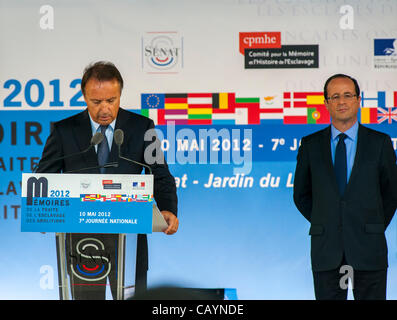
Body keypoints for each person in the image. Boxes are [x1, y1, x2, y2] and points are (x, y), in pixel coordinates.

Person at [36, 61, 178, 299]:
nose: (104, 109)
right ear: (84, 96)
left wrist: (167, 208)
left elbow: (160, 173)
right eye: (96, 101)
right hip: (82, 240)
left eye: (111, 101)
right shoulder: (64, 131)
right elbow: (44, 179)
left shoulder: (142, 127)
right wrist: (40, 211)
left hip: (128, 237)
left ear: (120, 95)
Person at [293, 73, 397, 300]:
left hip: (369, 247)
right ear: (326, 103)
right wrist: (329, 220)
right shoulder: (310, 145)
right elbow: (301, 195)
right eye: (335, 96)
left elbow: (391, 194)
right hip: (327, 249)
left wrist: (373, 223)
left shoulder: (380, 143)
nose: (342, 101)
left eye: (348, 95)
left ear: (358, 100)